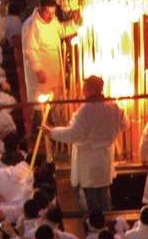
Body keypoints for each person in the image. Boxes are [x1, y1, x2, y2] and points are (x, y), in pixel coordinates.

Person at [44, 74, 130, 211]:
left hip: (88, 159)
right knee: (103, 191)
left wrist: (52, 132)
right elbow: (126, 125)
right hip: (105, 156)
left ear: (93, 91)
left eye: (85, 89)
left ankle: (95, 224)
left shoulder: (85, 111)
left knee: (90, 195)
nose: (83, 92)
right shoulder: (114, 107)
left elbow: (72, 135)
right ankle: (106, 222)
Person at [21, 0, 80, 105]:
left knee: (55, 105)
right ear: (40, 9)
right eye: (48, 13)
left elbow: (61, 30)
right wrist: (38, 70)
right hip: (41, 74)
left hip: (55, 72)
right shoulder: (32, 25)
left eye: (53, 13)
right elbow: (29, 51)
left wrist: (75, 23)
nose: (51, 16)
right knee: (41, 107)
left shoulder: (53, 20)